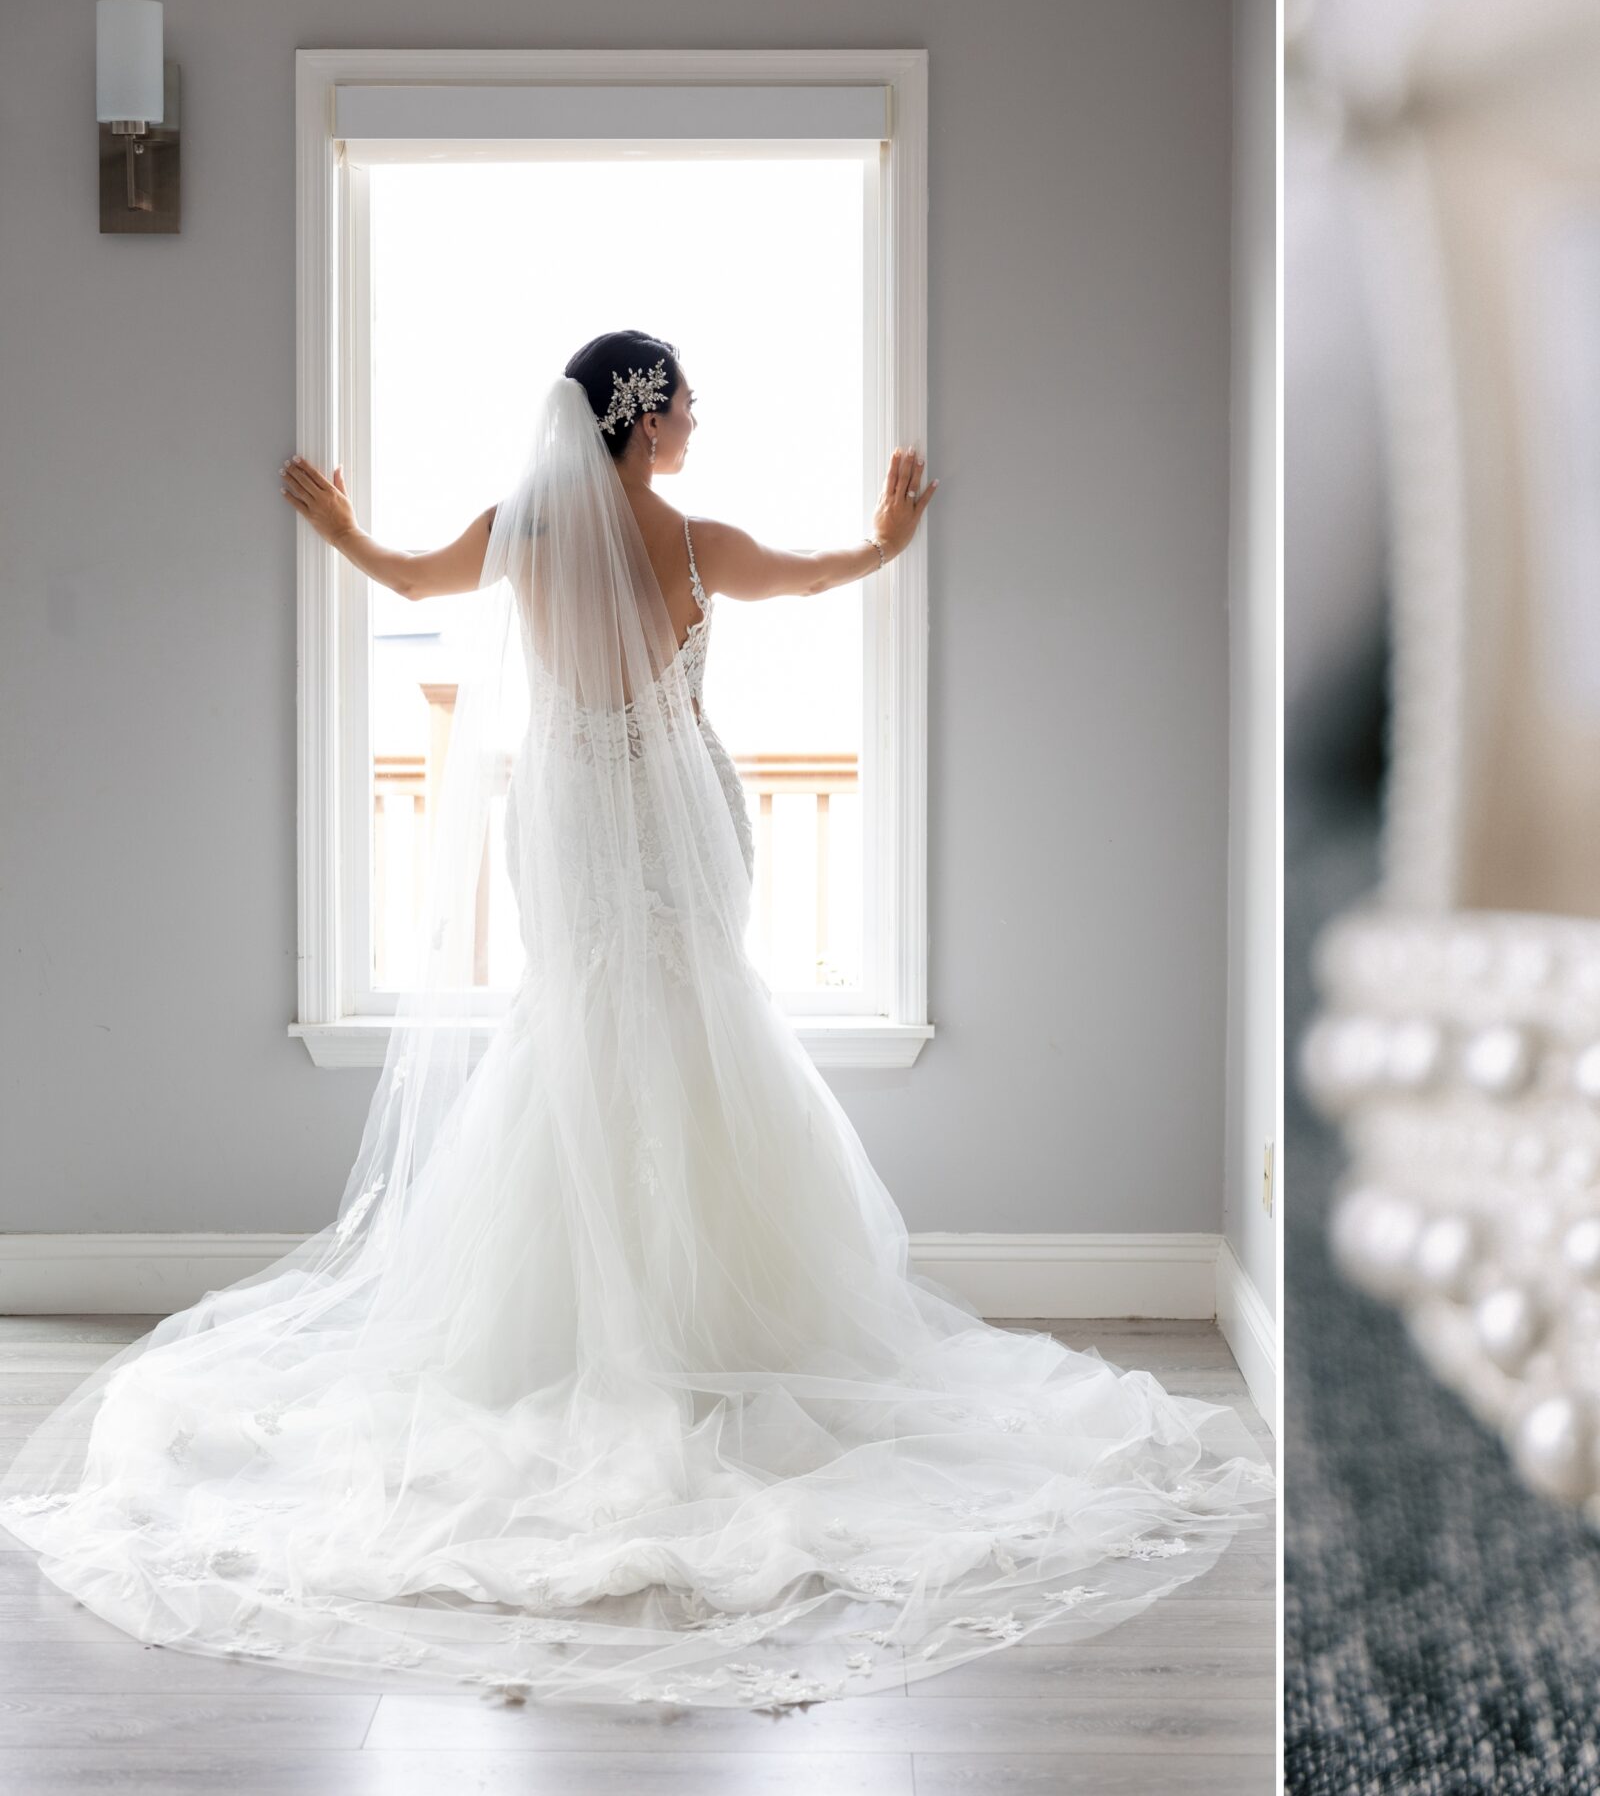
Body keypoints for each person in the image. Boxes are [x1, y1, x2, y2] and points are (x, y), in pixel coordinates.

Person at [0, 330, 1269, 1711]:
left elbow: (416, 579)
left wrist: (345, 529)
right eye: (688, 405)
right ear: (644, 417)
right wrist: (889, 538)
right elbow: (831, 573)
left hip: (569, 825)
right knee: (694, 1045)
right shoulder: (692, 541)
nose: (700, 423)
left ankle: (613, 1328)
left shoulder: (520, 532)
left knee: (580, 1046)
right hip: (682, 819)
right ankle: (702, 1326)